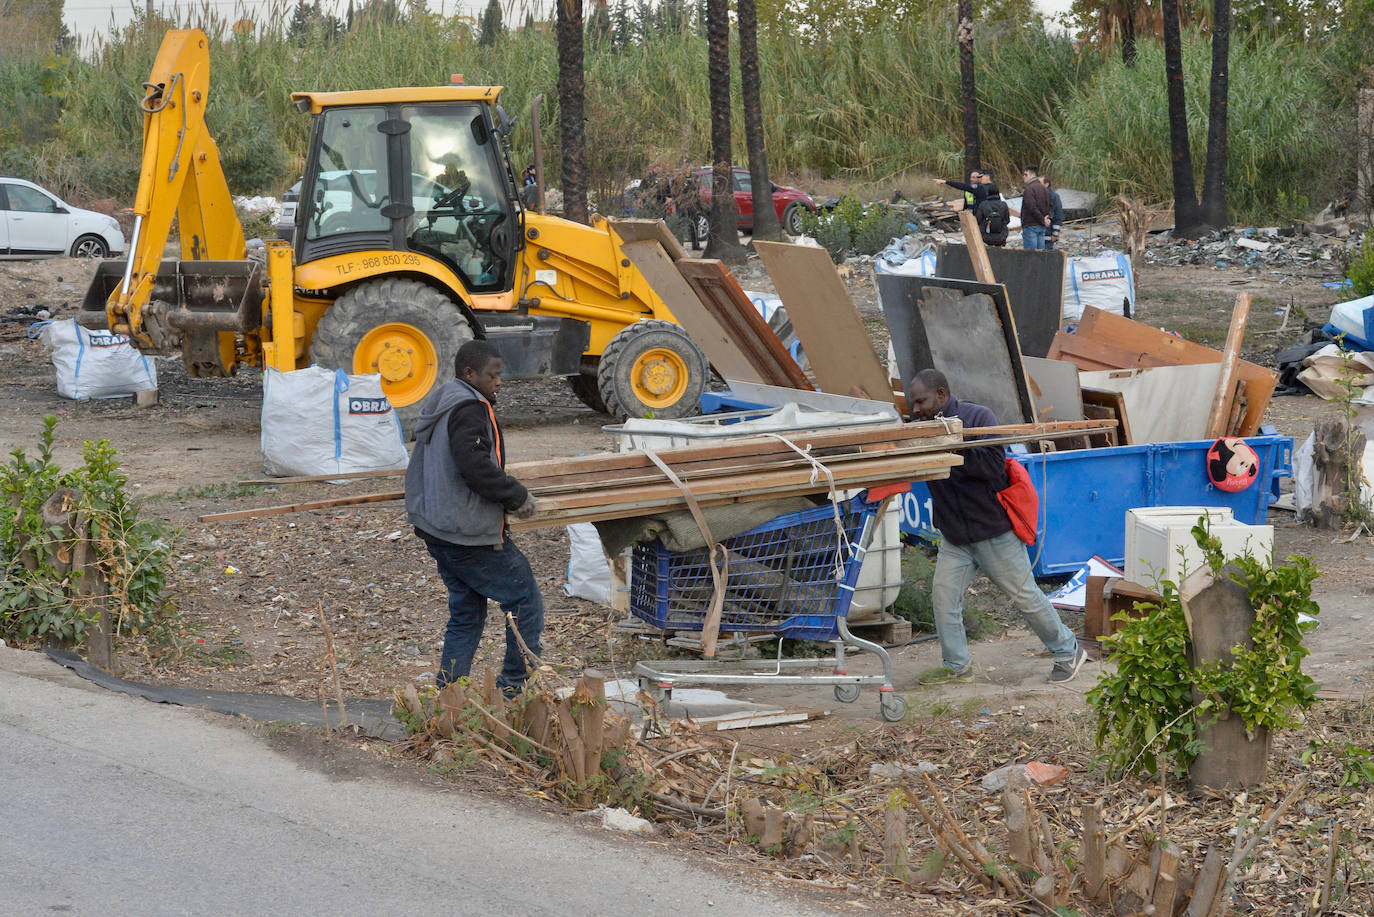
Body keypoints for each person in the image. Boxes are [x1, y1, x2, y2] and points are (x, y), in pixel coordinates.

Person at [906, 368, 1087, 684]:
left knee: (1026, 598)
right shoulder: (923, 429)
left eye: (921, 401)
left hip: (993, 532)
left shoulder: (979, 418)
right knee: (944, 600)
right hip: (955, 536)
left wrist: (950, 446)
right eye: (914, 404)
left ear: (941, 395)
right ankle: (957, 667)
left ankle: (1067, 650)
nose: (917, 409)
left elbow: (990, 468)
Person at [406, 339, 543, 694]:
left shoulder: (446, 399)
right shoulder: (469, 408)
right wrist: (517, 497)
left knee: (467, 612)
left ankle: (449, 695)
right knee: (524, 599)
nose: (498, 382)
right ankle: (514, 689)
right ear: (470, 373)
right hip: (467, 532)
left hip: (438, 527)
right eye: (492, 375)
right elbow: (476, 468)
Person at [1018, 165, 1053, 250]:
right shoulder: (1044, 189)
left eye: (1025, 174)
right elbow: (1051, 206)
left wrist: (1043, 219)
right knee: (1040, 254)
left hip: (1031, 225)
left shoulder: (1029, 189)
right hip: (1042, 226)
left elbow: (1032, 207)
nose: (1023, 177)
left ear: (1031, 175)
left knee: (1031, 255)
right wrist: (1048, 218)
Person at [1045, 179, 1064, 251]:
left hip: (1048, 236)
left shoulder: (1053, 197)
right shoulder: (1037, 196)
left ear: (1046, 184)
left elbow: (1058, 216)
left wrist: (1055, 233)